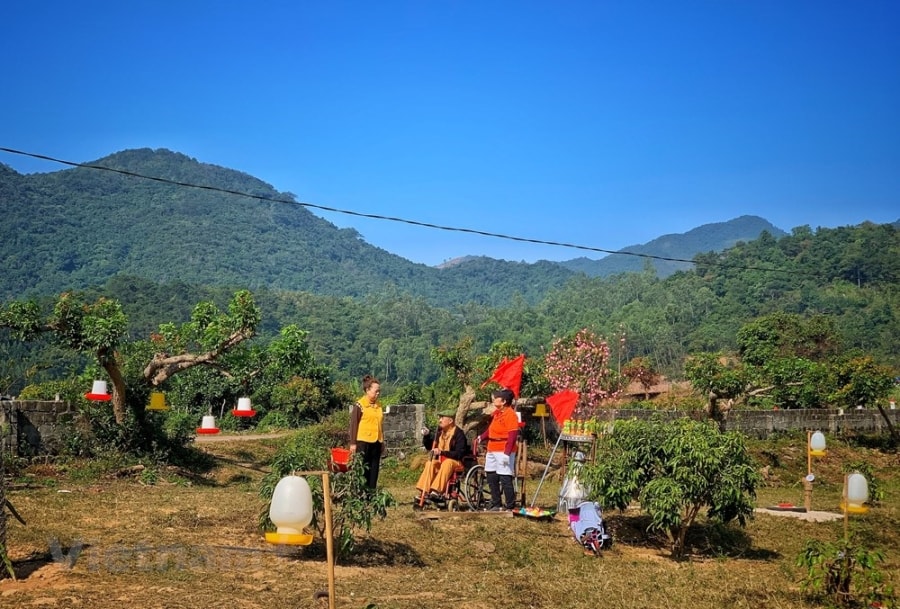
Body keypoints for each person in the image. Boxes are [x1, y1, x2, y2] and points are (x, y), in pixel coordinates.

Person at [476, 388, 519, 511]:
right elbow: (491, 430)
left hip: (503, 449)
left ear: (504, 401)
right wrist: (481, 437)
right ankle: (496, 502)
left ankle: (510, 505)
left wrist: (507, 453)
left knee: (505, 476)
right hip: (492, 448)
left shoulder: (511, 415)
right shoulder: (497, 413)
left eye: (497, 398)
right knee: (491, 475)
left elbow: (512, 435)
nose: (494, 400)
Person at [416, 408, 469, 501]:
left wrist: (442, 452)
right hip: (440, 462)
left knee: (447, 462)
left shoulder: (459, 434)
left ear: (450, 421)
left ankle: (436, 491)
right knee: (430, 463)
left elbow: (459, 453)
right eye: (439, 418)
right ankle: (423, 491)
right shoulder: (439, 433)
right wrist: (427, 436)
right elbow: (430, 447)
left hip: (456, 463)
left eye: (442, 418)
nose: (439, 420)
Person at [349, 375, 385, 491]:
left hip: (376, 441)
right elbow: (354, 424)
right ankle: (361, 494)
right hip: (363, 442)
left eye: (379, 391)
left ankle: (371, 494)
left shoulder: (379, 405)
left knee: (374, 469)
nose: (378, 393)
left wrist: (382, 441)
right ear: (367, 390)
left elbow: (380, 424)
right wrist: (353, 443)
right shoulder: (359, 405)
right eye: (376, 391)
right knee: (363, 469)